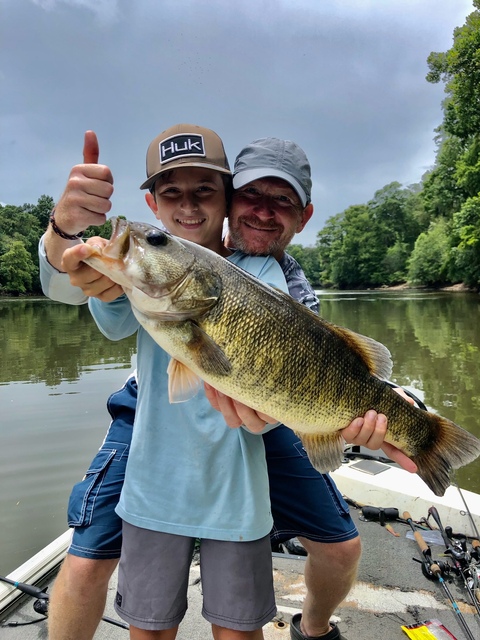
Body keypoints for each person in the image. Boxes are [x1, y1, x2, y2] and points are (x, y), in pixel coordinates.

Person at [39, 131, 415, 640]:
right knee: (86, 561)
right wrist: (64, 233)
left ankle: (315, 625)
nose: (261, 212)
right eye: (171, 193)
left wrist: (373, 419)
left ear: (303, 216)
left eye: (281, 202)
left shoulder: (273, 274)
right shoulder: (151, 266)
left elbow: (305, 369)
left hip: (263, 420)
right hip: (153, 429)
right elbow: (72, 280)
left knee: (338, 547)